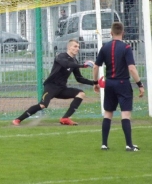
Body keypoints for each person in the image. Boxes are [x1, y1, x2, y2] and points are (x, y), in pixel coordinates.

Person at [12, 39, 95, 126]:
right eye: (75, 46)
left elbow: (79, 78)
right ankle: (18, 119)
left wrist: (95, 83)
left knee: (81, 94)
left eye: (78, 47)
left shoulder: (75, 61)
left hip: (62, 89)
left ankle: (65, 118)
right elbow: (66, 64)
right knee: (42, 105)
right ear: (69, 47)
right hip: (51, 86)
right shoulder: (60, 56)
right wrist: (83, 65)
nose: (77, 48)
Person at [93, 22, 145, 152]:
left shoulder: (104, 47)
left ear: (111, 33)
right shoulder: (126, 48)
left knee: (108, 113)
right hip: (123, 83)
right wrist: (140, 84)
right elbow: (132, 68)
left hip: (109, 83)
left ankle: (104, 144)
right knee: (125, 114)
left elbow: (95, 66)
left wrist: (95, 83)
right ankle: (129, 145)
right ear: (123, 33)